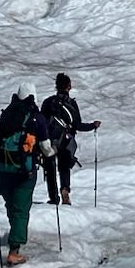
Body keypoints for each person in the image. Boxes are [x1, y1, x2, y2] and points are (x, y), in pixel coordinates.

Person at [0, 90, 53, 266]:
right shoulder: (36, 117)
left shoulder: (7, 114)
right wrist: (52, 152)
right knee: (21, 208)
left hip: (3, 168)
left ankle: (14, 232)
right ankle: (14, 250)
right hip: (24, 170)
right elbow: (46, 147)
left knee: (11, 203)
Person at [39, 73, 102, 207]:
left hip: (49, 140)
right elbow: (77, 125)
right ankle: (65, 191)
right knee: (64, 167)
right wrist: (92, 125)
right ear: (69, 86)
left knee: (50, 168)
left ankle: (53, 197)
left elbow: (41, 122)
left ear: (56, 86)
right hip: (66, 140)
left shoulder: (48, 102)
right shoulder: (71, 103)